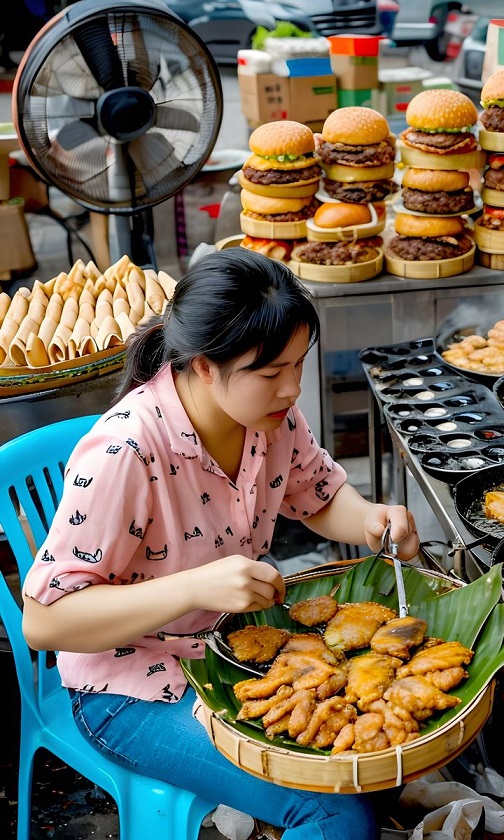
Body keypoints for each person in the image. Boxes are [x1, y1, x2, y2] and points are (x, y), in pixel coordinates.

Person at [21, 248, 420, 840]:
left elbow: (319, 494)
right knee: (335, 811)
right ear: (205, 366)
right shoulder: (125, 453)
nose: (291, 388)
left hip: (229, 651)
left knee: (377, 750)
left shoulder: (272, 418)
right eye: (269, 372)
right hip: (130, 688)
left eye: (298, 364)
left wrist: (371, 519)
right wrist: (197, 586)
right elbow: (46, 622)